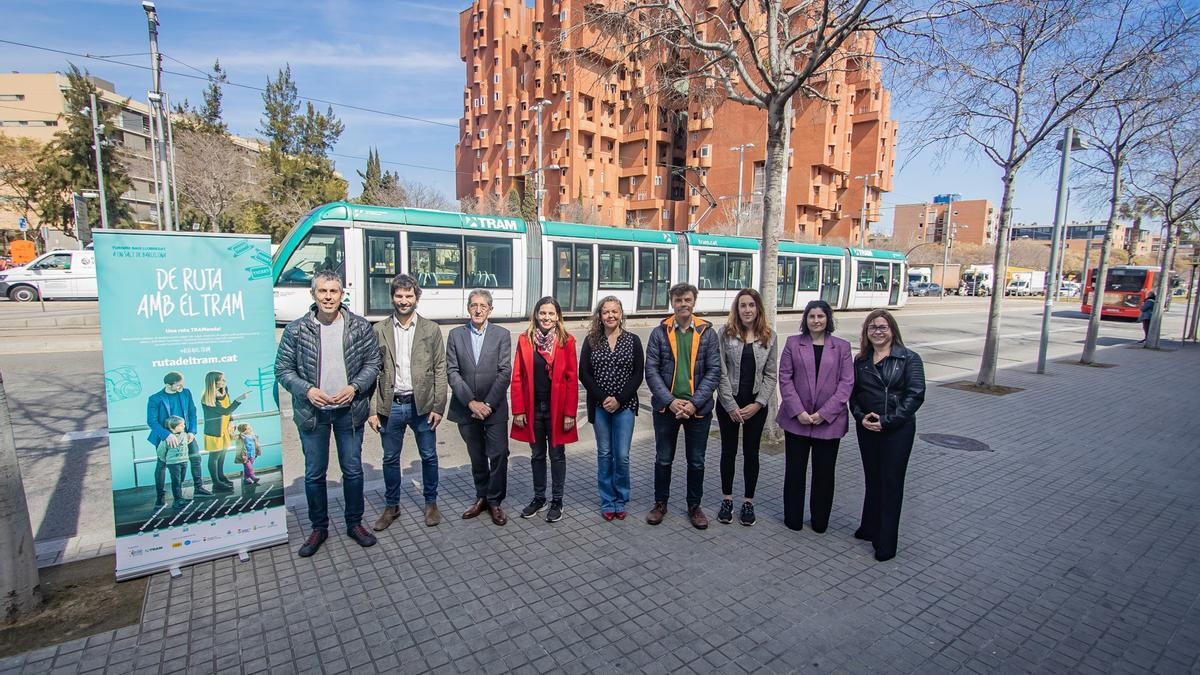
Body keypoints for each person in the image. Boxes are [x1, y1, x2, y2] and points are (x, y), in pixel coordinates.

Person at [276, 270, 381, 558]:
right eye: (322, 291)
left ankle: (354, 524)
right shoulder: (296, 330)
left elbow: (373, 363)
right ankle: (318, 528)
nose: (328, 297)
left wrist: (355, 386)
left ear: (342, 294)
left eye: (333, 291)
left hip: (349, 410)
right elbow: (283, 370)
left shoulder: (359, 327)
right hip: (313, 412)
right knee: (314, 474)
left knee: (353, 470)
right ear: (313, 294)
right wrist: (307, 390)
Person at [367, 274, 448, 530]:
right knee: (390, 458)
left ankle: (431, 503)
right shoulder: (378, 329)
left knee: (429, 456)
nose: (403, 301)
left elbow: (440, 369)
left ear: (417, 298)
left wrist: (438, 406)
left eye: (408, 296)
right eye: (399, 296)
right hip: (390, 405)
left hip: (421, 405)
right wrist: (372, 410)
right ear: (392, 297)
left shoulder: (431, 330)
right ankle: (392, 506)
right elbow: (371, 371)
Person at [850, 309, 925, 562]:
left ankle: (886, 540)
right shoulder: (861, 360)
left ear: (892, 330)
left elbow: (915, 395)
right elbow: (854, 394)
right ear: (866, 332)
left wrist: (887, 420)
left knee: (891, 483)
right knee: (872, 478)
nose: (877, 331)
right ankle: (869, 526)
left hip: (897, 430)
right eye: (872, 327)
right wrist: (861, 417)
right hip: (868, 427)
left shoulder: (908, 358)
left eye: (882, 327)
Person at [644, 282, 721, 529]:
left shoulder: (707, 332)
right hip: (668, 409)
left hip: (698, 411)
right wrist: (671, 400)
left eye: (687, 299)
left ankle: (694, 506)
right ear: (672, 303)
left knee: (696, 461)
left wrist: (694, 403)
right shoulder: (660, 332)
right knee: (663, 459)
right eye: (678, 300)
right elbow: (651, 370)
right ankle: (660, 503)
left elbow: (714, 371)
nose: (683, 304)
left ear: (694, 302)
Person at [777, 300, 854, 533]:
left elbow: (846, 383)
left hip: (828, 423)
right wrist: (798, 410)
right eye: (812, 316)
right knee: (795, 472)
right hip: (796, 420)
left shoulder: (841, 347)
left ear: (828, 319)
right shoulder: (793, 343)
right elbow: (785, 378)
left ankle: (820, 521)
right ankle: (793, 519)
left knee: (824, 474)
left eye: (821, 316)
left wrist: (825, 413)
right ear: (805, 319)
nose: (816, 320)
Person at [447, 289, 513, 526]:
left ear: (490, 310)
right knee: (476, 457)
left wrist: (487, 404)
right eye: (474, 305)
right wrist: (471, 403)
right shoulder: (456, 335)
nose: (478, 310)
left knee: (498, 455)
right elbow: (452, 372)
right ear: (468, 308)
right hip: (466, 408)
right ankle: (481, 497)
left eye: (483, 306)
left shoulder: (502, 334)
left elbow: (505, 371)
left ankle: (495, 501)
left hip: (494, 409)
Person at [511, 296, 579, 523]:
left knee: (557, 456)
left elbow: (571, 379)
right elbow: (517, 376)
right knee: (537, 455)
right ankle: (539, 498)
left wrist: (570, 413)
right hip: (533, 409)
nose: (547, 318)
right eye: (543, 313)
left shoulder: (566, 341)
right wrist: (518, 409)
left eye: (551, 313)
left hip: (557, 410)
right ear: (536, 315)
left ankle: (557, 501)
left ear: (558, 316)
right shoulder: (525, 340)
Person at [714, 289, 778, 527]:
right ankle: (727, 500)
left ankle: (748, 502)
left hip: (755, 405)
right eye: (743, 305)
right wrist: (730, 405)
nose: (747, 310)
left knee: (751, 453)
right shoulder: (725, 334)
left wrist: (758, 404)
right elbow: (719, 371)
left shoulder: (769, 337)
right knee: (728, 452)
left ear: (758, 308)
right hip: (727, 404)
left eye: (751, 305)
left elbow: (771, 375)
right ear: (737, 308)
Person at [579, 296, 644, 521]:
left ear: (621, 313)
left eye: (614, 311)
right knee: (605, 454)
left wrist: (618, 398)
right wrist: (604, 398)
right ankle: (607, 500)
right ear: (600, 315)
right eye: (606, 312)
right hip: (600, 407)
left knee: (622, 455)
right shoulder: (591, 341)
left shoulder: (633, 340)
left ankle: (621, 497)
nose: (610, 316)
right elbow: (584, 373)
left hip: (625, 406)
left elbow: (638, 374)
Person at [147, 371, 212, 508]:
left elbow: (192, 412)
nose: (181, 387)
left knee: (196, 459)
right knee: (162, 465)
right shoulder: (155, 398)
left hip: (186, 435)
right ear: (168, 385)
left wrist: (192, 432)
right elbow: (151, 421)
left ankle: (198, 488)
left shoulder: (186, 393)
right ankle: (160, 497)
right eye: (178, 385)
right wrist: (167, 435)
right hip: (165, 437)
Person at [200, 371, 248, 493]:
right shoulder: (207, 397)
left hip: (225, 430)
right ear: (214, 383)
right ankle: (216, 483)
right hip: (214, 432)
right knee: (214, 457)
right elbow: (225, 411)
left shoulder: (224, 390)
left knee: (222, 455)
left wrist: (231, 421)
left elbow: (228, 411)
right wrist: (239, 400)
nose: (224, 381)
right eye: (222, 380)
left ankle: (221, 477)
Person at [155, 416, 192, 509]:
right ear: (172, 427)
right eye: (181, 425)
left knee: (181, 480)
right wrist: (166, 460)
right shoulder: (167, 438)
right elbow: (161, 451)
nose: (184, 426)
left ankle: (180, 497)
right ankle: (177, 500)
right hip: (173, 463)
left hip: (184, 461)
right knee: (176, 481)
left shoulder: (184, 434)